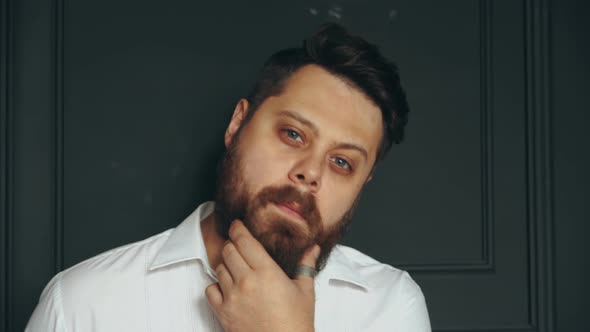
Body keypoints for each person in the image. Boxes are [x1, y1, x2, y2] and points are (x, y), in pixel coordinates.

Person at [26, 23, 431, 331]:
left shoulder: (391, 308)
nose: (310, 172)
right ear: (238, 124)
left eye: (342, 162)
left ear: (363, 184)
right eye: (293, 135)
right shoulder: (83, 303)